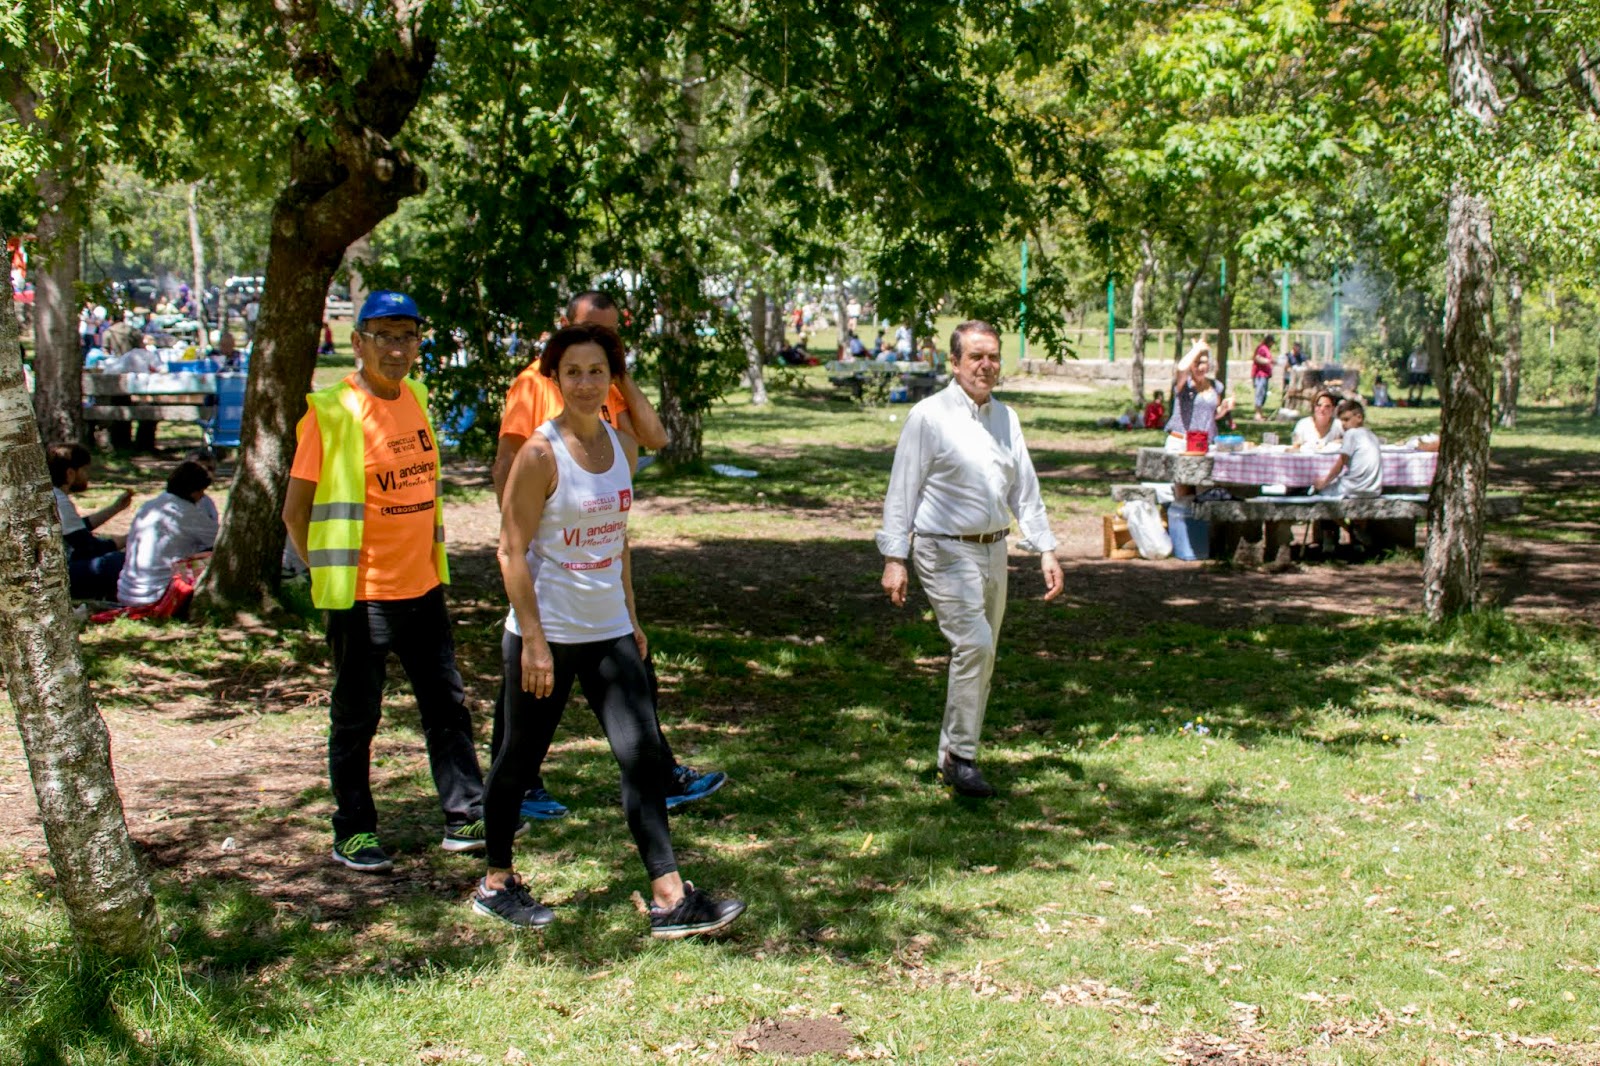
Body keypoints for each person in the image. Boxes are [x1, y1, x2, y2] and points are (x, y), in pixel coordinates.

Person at [477, 323, 746, 936]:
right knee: (518, 759)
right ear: (555, 379)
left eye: (598, 371)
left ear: (612, 379)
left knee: (643, 756)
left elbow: (616, 539)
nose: (585, 382)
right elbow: (509, 551)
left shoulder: (622, 447)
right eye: (573, 372)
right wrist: (536, 642)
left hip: (609, 632)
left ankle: (669, 895)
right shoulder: (540, 454)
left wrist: (631, 616)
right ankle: (496, 882)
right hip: (546, 636)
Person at [282, 290, 502, 873]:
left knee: (448, 707)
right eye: (386, 336)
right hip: (362, 595)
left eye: (409, 336)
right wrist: (324, 575)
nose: (399, 348)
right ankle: (353, 829)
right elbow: (294, 511)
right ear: (358, 343)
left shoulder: (417, 398)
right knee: (358, 716)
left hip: (423, 588)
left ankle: (465, 816)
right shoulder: (330, 412)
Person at [491, 292, 720, 821]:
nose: (590, 372)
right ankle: (515, 791)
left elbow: (655, 438)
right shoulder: (535, 384)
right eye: (592, 332)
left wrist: (619, 375)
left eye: (612, 339)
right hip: (545, 558)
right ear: (565, 329)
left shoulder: (604, 382)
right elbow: (509, 460)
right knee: (528, 680)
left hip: (602, 564)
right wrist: (519, 543)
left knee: (634, 675)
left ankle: (657, 777)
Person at [877, 321, 1063, 798]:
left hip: (994, 549)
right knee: (975, 644)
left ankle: (953, 754)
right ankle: (961, 758)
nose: (986, 365)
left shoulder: (1007, 419)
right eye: (976, 356)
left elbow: (1025, 490)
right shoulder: (928, 416)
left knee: (984, 654)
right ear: (954, 363)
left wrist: (1044, 548)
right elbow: (903, 490)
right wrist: (895, 557)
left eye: (993, 356)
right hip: (942, 549)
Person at [116, 460, 218, 607]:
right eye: (201, 491)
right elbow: (222, 541)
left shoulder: (149, 506)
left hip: (126, 592)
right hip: (158, 595)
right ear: (193, 491)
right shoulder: (187, 513)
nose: (202, 496)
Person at [48, 443, 131, 601]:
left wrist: (115, 508)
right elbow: (90, 547)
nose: (88, 476)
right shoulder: (59, 501)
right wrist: (135, 535)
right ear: (71, 473)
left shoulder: (54, 495)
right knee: (120, 560)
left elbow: (77, 528)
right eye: (84, 470)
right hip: (62, 573)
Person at [1164, 340, 1233, 454]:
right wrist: (1197, 349)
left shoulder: (1216, 386)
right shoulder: (1184, 384)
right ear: (1190, 364)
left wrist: (1224, 409)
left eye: (1203, 362)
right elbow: (1181, 368)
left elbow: (1213, 414)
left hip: (1204, 442)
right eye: (1196, 362)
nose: (1200, 367)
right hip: (1181, 442)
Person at [1312, 398, 1382, 498]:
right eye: (1341, 420)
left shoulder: (1352, 433)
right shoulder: (1372, 436)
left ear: (1359, 418)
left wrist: (1323, 482)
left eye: (1346, 419)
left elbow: (1340, 464)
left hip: (1353, 488)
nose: (1343, 424)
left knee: (1320, 492)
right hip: (1374, 490)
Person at [1251, 335, 1276, 420]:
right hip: (1260, 375)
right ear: (1269, 341)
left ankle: (1260, 413)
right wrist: (1268, 361)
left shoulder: (1266, 349)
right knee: (1260, 394)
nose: (1272, 344)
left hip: (1265, 375)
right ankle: (1257, 414)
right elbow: (1257, 358)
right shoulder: (1262, 348)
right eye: (1272, 342)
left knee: (1263, 395)